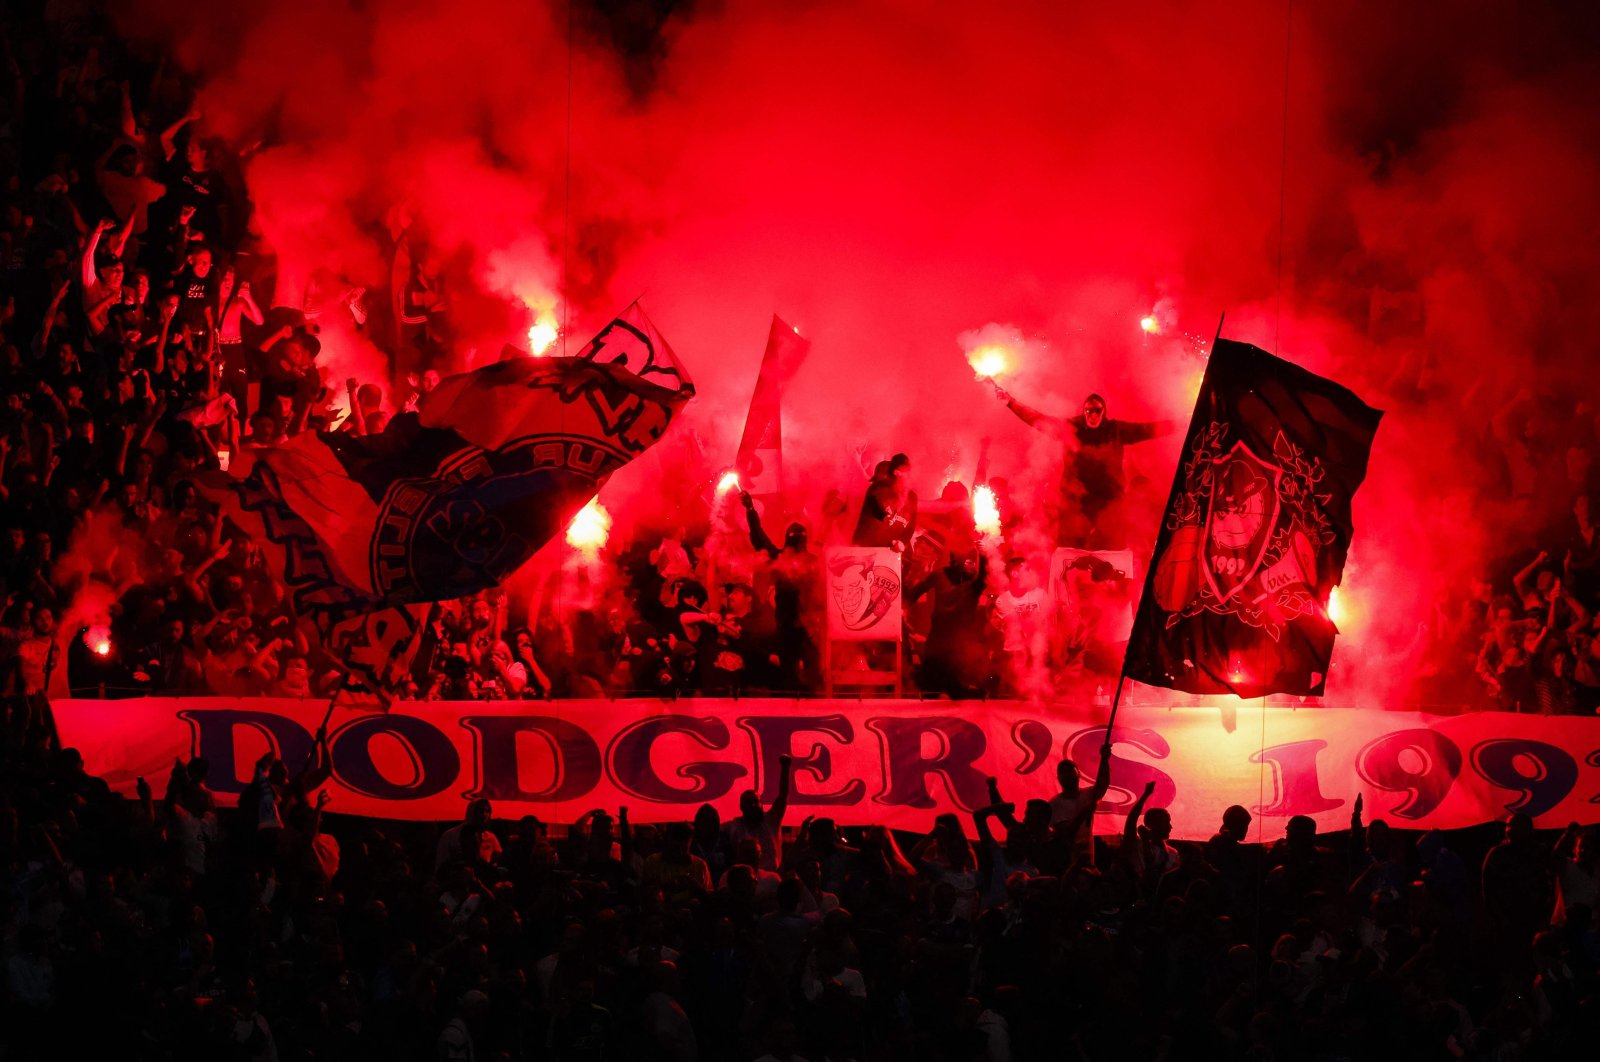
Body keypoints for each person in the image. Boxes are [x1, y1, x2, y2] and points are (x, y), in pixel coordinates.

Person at [996, 387, 1174, 547]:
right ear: (1084, 411)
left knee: (1111, 548)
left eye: (1097, 411)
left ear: (1103, 412)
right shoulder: (1072, 428)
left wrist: (1177, 424)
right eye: (1089, 411)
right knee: (1070, 549)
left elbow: (1147, 429)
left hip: (1109, 500)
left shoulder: (1115, 429)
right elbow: (1038, 419)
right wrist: (1011, 403)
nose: (1093, 415)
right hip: (1075, 502)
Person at [727, 753, 794, 871]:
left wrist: (785, 768)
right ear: (741, 806)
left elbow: (783, 795)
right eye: (748, 802)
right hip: (745, 877)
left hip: (771, 877)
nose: (753, 805)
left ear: (762, 804)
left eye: (756, 801)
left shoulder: (771, 819)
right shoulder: (734, 826)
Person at [852, 453, 918, 550]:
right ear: (895, 472)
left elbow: (911, 526)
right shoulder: (877, 489)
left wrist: (902, 542)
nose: (908, 476)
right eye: (905, 471)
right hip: (866, 549)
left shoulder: (912, 497)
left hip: (892, 553)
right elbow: (873, 517)